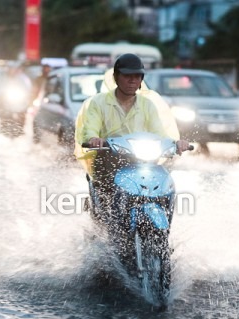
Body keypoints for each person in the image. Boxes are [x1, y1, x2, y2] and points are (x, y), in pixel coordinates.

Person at [74, 53, 189, 217]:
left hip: (141, 160)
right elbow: (90, 129)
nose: (132, 80)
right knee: (105, 194)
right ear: (115, 77)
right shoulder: (98, 102)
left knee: (165, 185)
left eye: (137, 76)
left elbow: (159, 133)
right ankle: (104, 219)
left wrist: (175, 143)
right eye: (127, 75)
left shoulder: (148, 105)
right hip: (109, 159)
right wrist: (94, 139)